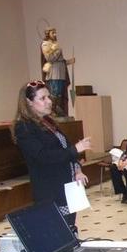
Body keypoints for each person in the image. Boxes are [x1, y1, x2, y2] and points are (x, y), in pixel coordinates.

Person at [12, 80, 91, 227]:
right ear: (29, 102)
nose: (49, 102)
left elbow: (64, 148)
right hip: (50, 189)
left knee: (70, 228)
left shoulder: (48, 121)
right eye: (42, 98)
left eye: (48, 97)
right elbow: (43, 156)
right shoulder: (24, 127)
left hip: (66, 186)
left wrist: (77, 169)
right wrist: (75, 149)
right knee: (59, 231)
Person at [40, 28, 74, 117]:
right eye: (53, 33)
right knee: (54, 94)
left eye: (55, 33)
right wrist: (57, 50)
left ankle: (58, 111)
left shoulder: (55, 44)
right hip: (54, 74)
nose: (55, 34)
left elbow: (60, 61)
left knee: (60, 95)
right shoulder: (45, 44)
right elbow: (50, 59)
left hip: (61, 73)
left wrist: (69, 61)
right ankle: (53, 112)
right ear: (48, 34)